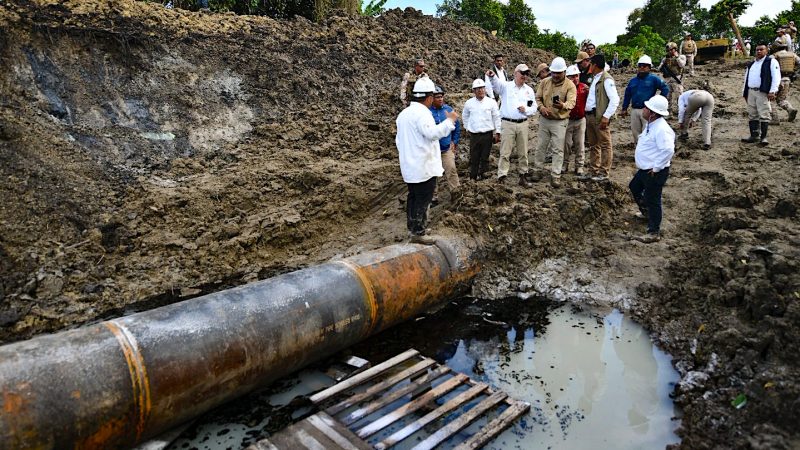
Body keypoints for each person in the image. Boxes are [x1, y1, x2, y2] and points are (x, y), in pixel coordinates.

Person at [395, 77, 458, 244]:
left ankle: (414, 227)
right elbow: (433, 133)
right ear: (429, 97)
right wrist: (450, 121)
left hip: (410, 166)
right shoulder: (423, 114)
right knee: (424, 198)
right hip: (423, 166)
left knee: (413, 197)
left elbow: (399, 141)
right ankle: (419, 232)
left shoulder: (404, 114)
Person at [628, 95, 674, 243]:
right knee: (634, 187)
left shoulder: (661, 129)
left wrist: (657, 167)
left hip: (654, 171)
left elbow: (668, 150)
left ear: (653, 113)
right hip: (645, 170)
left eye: (646, 108)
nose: (643, 109)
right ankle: (646, 213)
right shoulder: (651, 124)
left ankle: (654, 231)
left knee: (653, 199)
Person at [487, 64, 538, 186]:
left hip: (523, 123)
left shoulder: (529, 90)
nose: (525, 76)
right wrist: (492, 76)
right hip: (508, 123)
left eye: (527, 74)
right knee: (505, 151)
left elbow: (534, 107)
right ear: (515, 73)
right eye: (522, 73)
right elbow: (496, 85)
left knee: (523, 152)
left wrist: (526, 109)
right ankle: (502, 176)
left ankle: (523, 175)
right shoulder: (506, 86)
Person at [531, 57, 577, 187]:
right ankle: (537, 170)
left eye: (559, 73)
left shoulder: (570, 85)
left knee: (558, 149)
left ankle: (555, 175)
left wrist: (563, 105)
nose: (556, 75)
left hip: (559, 121)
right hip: (545, 120)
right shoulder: (545, 82)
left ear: (564, 72)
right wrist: (541, 108)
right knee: (540, 147)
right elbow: (538, 98)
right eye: (554, 73)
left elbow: (572, 102)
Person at [584, 54, 620, 181]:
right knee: (594, 145)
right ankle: (594, 170)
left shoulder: (606, 79)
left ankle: (604, 172)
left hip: (599, 117)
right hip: (590, 116)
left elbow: (615, 99)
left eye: (591, 64)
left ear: (594, 65)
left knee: (605, 145)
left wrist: (606, 117)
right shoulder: (596, 78)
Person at [620, 55, 670, 144]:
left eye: (644, 66)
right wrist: (624, 108)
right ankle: (638, 152)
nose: (642, 68)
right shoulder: (633, 81)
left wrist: (657, 102)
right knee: (635, 133)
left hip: (648, 110)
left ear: (649, 67)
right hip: (635, 109)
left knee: (646, 133)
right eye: (640, 66)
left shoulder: (653, 79)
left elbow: (665, 88)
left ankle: (646, 153)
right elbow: (627, 95)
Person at [741, 43, 781, 146]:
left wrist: (772, 91)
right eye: (757, 50)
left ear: (766, 51)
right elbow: (746, 78)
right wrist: (744, 92)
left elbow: (776, 77)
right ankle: (754, 136)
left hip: (762, 92)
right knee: (752, 114)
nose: (759, 51)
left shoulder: (771, 62)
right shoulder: (752, 64)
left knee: (764, 114)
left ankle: (763, 137)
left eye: (761, 50)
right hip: (751, 92)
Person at [462, 79, 501, 181]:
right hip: (474, 135)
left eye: (482, 88)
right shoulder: (469, 103)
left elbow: (496, 117)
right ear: (474, 91)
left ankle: (484, 177)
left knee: (485, 157)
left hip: (487, 135)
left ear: (485, 89)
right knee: (474, 157)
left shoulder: (491, 102)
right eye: (478, 89)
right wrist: (467, 127)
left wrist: (498, 132)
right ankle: (473, 177)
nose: (480, 90)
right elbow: (465, 116)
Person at [430, 86, 461, 202]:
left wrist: (454, 141)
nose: (440, 99)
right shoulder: (428, 112)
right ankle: (433, 197)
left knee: (451, 169)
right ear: (431, 98)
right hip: (432, 149)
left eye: (441, 96)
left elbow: (457, 127)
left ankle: (456, 192)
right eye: (437, 97)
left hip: (446, 148)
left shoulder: (448, 110)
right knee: (432, 174)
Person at [563, 64, 589, 176]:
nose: (575, 79)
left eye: (577, 76)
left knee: (580, 144)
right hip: (567, 119)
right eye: (572, 77)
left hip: (580, 119)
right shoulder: (564, 89)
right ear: (567, 78)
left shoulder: (584, 88)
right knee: (566, 144)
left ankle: (579, 166)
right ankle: (564, 164)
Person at [770, 43, 800, 122]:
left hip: (776, 80)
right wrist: (795, 71)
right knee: (781, 99)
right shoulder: (793, 55)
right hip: (787, 79)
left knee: (771, 99)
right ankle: (790, 109)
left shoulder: (774, 56)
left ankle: (774, 118)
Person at [657, 42, 686, 114]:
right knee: (667, 97)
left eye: (671, 50)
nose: (669, 52)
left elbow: (682, 65)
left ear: (675, 49)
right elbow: (659, 68)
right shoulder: (665, 58)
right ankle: (669, 112)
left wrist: (677, 57)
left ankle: (681, 112)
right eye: (668, 50)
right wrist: (663, 64)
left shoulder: (681, 56)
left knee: (679, 97)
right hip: (667, 80)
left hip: (677, 79)